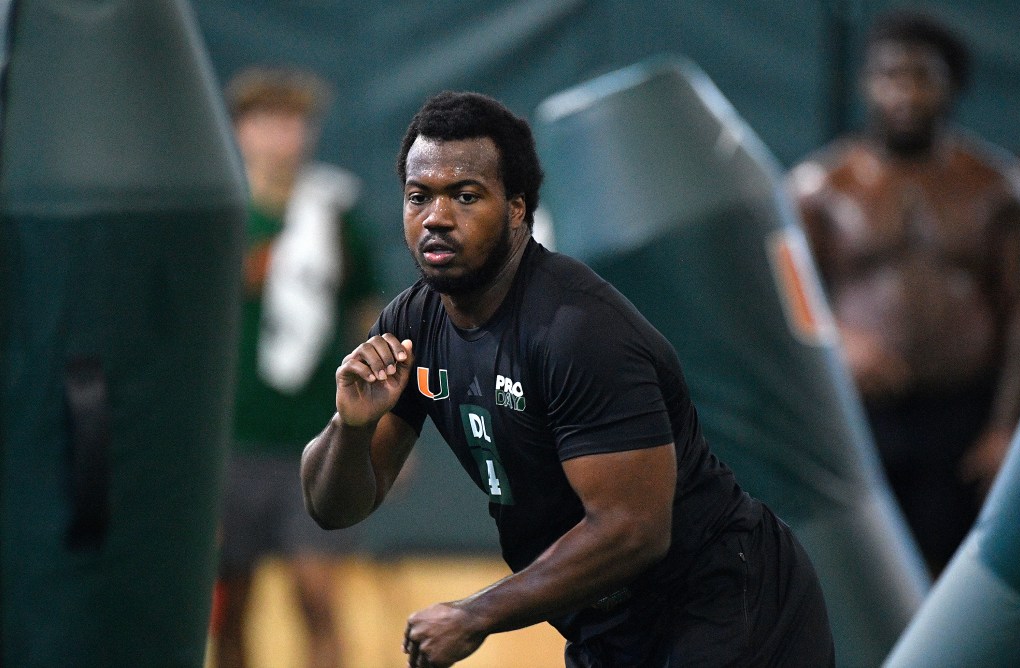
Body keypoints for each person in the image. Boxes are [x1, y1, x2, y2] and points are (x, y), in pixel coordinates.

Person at [301, 90, 834, 667]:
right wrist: (350, 428)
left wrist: (476, 614)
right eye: (418, 196)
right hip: (608, 621)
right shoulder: (412, 321)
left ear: (517, 209)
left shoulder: (576, 330)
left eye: (465, 196)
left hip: (724, 603)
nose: (436, 217)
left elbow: (633, 529)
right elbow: (335, 509)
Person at [789, 11, 1020, 576]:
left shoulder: (995, 187)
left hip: (963, 418)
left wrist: (1005, 429)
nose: (905, 93)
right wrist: (844, 341)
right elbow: (792, 298)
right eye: (890, 76)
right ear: (868, 84)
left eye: (922, 76)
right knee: (859, 575)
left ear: (951, 85)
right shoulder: (822, 187)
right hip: (859, 419)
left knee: (949, 576)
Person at [214, 66, 381, 668]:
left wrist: (381, 428)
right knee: (231, 606)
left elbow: (370, 320)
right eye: (266, 122)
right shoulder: (218, 218)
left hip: (315, 442)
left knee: (319, 599)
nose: (282, 136)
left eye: (294, 122)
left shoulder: (335, 218)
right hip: (230, 442)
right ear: (238, 131)